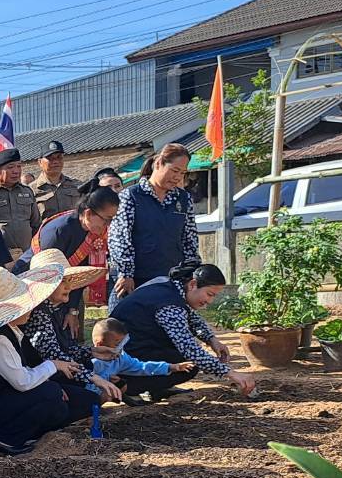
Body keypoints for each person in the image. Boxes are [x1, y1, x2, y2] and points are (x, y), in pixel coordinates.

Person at [0, 264, 93, 453]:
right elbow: (22, 382)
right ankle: (5, 439)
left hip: (8, 396)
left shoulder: (11, 332)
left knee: (75, 399)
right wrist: (52, 366)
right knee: (50, 395)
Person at [111, 261, 257, 395]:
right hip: (123, 357)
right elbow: (190, 349)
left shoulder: (168, 285)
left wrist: (212, 339)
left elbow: (192, 318)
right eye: (209, 294)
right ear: (193, 284)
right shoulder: (170, 305)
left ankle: (153, 388)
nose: (209, 301)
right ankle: (126, 387)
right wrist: (231, 373)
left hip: (127, 349)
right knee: (188, 365)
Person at [20, 249, 123, 405]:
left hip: (55, 372)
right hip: (40, 378)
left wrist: (92, 351)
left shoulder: (56, 309)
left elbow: (65, 350)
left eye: (69, 281)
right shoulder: (38, 313)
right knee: (91, 399)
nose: (68, 287)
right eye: (62, 281)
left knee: (95, 375)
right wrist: (94, 378)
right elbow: (53, 355)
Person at [16, 187, 122, 335]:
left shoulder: (88, 231)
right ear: (88, 213)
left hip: (60, 290)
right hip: (33, 288)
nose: (109, 225)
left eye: (112, 220)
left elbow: (77, 274)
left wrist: (72, 310)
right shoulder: (59, 230)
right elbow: (45, 275)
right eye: (106, 220)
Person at [109, 143, 199, 302]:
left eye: (183, 173)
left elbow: (190, 239)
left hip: (171, 279)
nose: (178, 177)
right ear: (158, 164)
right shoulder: (130, 196)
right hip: (135, 279)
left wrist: (192, 271)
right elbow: (120, 238)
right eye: (175, 170)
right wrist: (126, 273)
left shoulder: (183, 199)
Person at [91, 317, 195, 397]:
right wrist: (104, 380)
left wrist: (171, 367)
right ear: (100, 345)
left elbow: (141, 367)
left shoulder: (120, 358)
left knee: (122, 386)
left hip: (102, 394)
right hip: (89, 395)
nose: (120, 347)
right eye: (117, 344)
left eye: (123, 343)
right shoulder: (91, 362)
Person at [0, 148, 41, 260]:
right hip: (0, 257)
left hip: (28, 255)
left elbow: (36, 224)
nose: (16, 171)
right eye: (10, 167)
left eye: (19, 166)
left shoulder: (27, 191)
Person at [32, 141, 82, 224]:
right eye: (50, 158)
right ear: (40, 162)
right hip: (46, 232)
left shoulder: (76, 185)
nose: (55, 161)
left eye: (59, 157)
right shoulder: (31, 190)